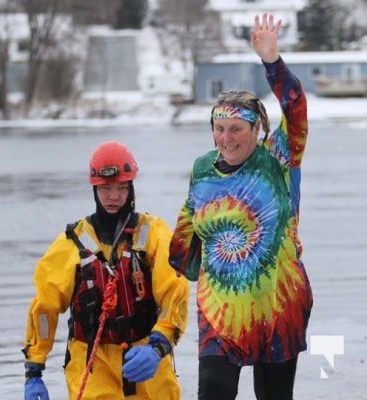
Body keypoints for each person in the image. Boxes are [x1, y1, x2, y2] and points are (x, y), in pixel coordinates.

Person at [168, 13, 313, 400]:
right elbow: (186, 233)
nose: (226, 137)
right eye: (219, 127)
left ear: (256, 130)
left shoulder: (278, 158)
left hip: (277, 306)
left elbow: (296, 110)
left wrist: (272, 63)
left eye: (236, 129)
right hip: (220, 312)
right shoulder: (202, 169)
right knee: (213, 392)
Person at [22, 141, 189, 400]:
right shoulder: (72, 243)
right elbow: (45, 308)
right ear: (94, 189)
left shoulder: (153, 233)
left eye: (122, 188)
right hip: (91, 361)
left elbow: (174, 294)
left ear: (131, 188)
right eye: (106, 189)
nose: (114, 197)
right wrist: (34, 370)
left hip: (146, 354)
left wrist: (159, 346)